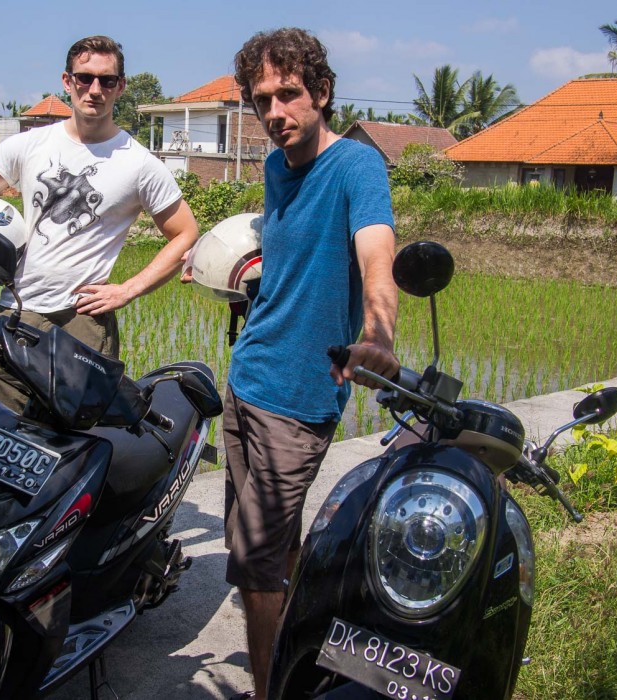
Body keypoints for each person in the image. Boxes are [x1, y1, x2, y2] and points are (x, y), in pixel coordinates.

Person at [223, 28, 400, 700]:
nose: (275, 112)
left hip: (297, 396)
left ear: (321, 93)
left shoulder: (354, 166)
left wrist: (378, 331)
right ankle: (299, 640)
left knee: (256, 566)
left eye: (288, 94)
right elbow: (285, 258)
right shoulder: (274, 169)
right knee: (273, 546)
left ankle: (270, 689)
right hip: (247, 376)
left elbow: (374, 254)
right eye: (261, 99)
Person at [0, 35, 198, 411]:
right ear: (67, 82)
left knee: (73, 438)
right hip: (17, 309)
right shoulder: (30, 145)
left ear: (121, 87)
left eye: (107, 80)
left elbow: (185, 233)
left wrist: (128, 290)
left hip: (82, 321)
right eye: (84, 78)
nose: (95, 89)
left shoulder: (140, 164)